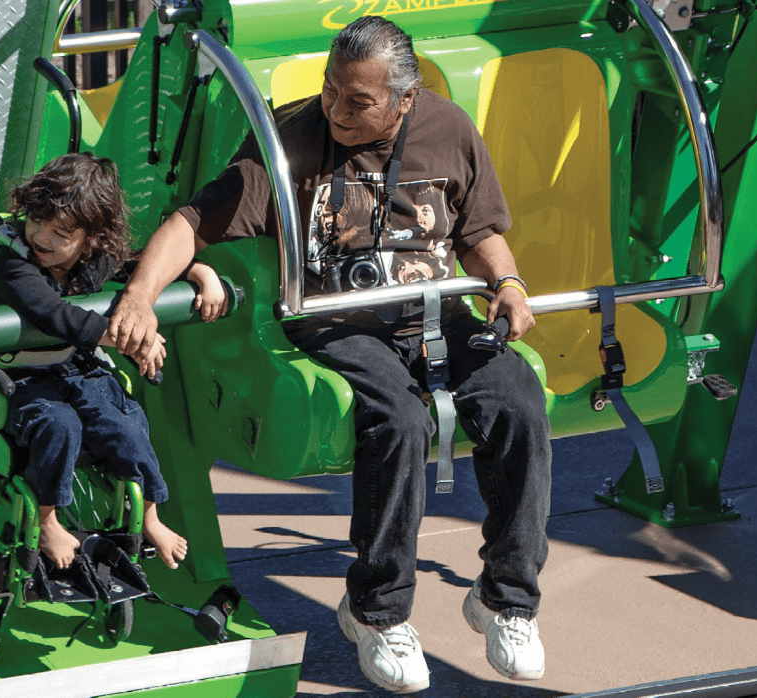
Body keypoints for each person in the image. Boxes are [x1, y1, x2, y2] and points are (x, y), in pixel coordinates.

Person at [109, 16, 551, 693]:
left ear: (404, 99)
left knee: (516, 396)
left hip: (433, 313)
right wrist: (140, 294)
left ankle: (505, 599)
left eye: (358, 101)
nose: (336, 111)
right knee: (397, 420)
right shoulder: (293, 135)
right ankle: (377, 610)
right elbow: (192, 222)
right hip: (337, 322)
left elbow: (480, 229)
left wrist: (510, 284)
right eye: (330, 91)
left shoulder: (449, 130)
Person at [0, 152, 226, 571]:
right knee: (59, 424)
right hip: (21, 372)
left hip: (73, 367)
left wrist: (199, 273)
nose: (41, 235)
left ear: (91, 238)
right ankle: (47, 519)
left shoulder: (97, 258)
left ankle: (150, 515)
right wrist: (135, 340)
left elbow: (140, 266)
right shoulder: (12, 263)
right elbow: (53, 314)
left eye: (60, 232)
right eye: (36, 220)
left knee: (127, 423)